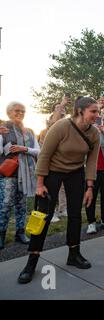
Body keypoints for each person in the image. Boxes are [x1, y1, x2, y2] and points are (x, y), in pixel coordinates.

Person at [17, 97, 101, 284]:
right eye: (93, 111)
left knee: (75, 215)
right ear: (80, 111)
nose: (97, 115)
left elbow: (92, 162)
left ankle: (74, 254)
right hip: (52, 172)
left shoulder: (94, 133)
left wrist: (89, 187)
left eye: (98, 111)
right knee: (42, 215)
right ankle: (32, 261)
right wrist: (40, 184)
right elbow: (44, 155)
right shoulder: (62, 126)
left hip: (75, 173)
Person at [0, 102, 40, 250]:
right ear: (9, 112)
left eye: (23, 111)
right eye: (17, 110)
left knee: (21, 205)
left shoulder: (28, 131)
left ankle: (20, 233)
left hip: (26, 174)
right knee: (4, 205)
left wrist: (24, 148)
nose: (20, 113)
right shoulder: (3, 129)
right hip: (8, 174)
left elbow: (38, 151)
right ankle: (1, 235)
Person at [38, 95, 71, 223]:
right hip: (50, 164)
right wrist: (61, 105)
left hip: (63, 162)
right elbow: (53, 125)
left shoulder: (66, 124)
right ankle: (51, 213)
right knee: (52, 188)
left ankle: (63, 209)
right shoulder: (48, 127)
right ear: (53, 112)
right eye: (57, 108)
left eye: (62, 108)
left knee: (63, 187)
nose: (61, 110)